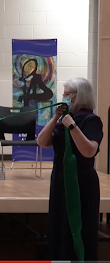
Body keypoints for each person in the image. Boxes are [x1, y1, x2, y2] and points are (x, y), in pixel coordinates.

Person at [37, 77, 103, 261]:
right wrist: (55, 117)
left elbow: (89, 151)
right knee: (59, 225)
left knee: (80, 226)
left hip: (81, 181)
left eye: (67, 95)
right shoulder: (63, 120)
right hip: (60, 179)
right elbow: (42, 142)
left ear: (79, 96)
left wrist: (72, 126)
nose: (64, 98)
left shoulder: (91, 120)